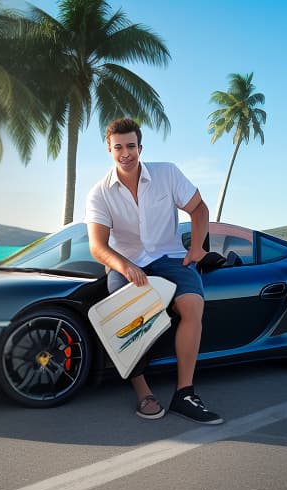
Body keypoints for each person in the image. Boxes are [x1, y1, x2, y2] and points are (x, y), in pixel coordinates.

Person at [85, 117, 223, 425]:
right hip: (127, 262)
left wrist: (197, 248)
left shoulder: (167, 173)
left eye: (131, 146)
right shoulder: (99, 193)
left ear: (140, 147)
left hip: (170, 258)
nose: (126, 154)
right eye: (118, 147)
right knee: (127, 318)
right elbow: (98, 246)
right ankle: (143, 392)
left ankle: (185, 393)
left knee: (192, 304)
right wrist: (125, 266)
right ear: (109, 149)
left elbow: (199, 209)